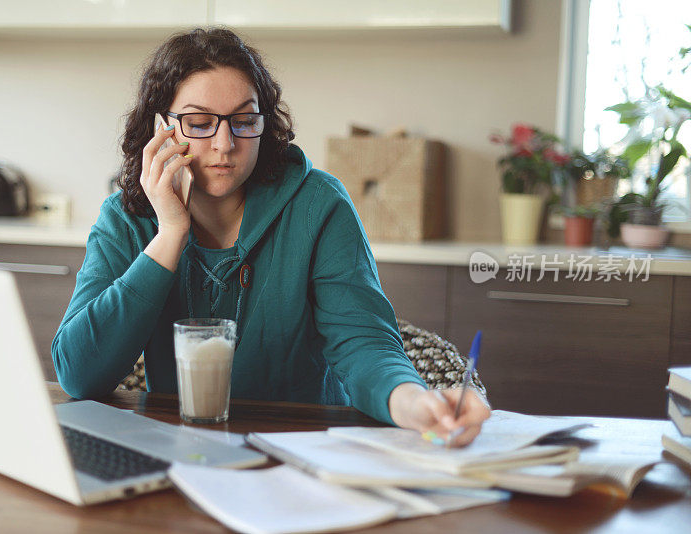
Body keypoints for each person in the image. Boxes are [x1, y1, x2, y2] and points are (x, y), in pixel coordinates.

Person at [52, 27, 489, 446]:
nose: (225, 144)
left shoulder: (319, 204)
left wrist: (413, 403)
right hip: (181, 450)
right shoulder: (126, 218)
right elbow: (79, 373)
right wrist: (170, 234)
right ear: (162, 128)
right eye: (199, 122)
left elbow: (364, 341)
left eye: (244, 120)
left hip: (305, 451)